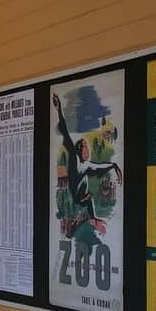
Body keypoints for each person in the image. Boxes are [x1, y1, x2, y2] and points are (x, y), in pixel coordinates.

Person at [52, 92, 123, 235]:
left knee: (89, 196)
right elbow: (65, 131)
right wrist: (59, 109)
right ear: (79, 148)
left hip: (82, 197)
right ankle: (88, 219)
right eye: (85, 146)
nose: (88, 149)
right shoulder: (74, 156)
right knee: (86, 195)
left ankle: (92, 219)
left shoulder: (86, 165)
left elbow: (100, 166)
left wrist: (114, 166)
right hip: (77, 196)